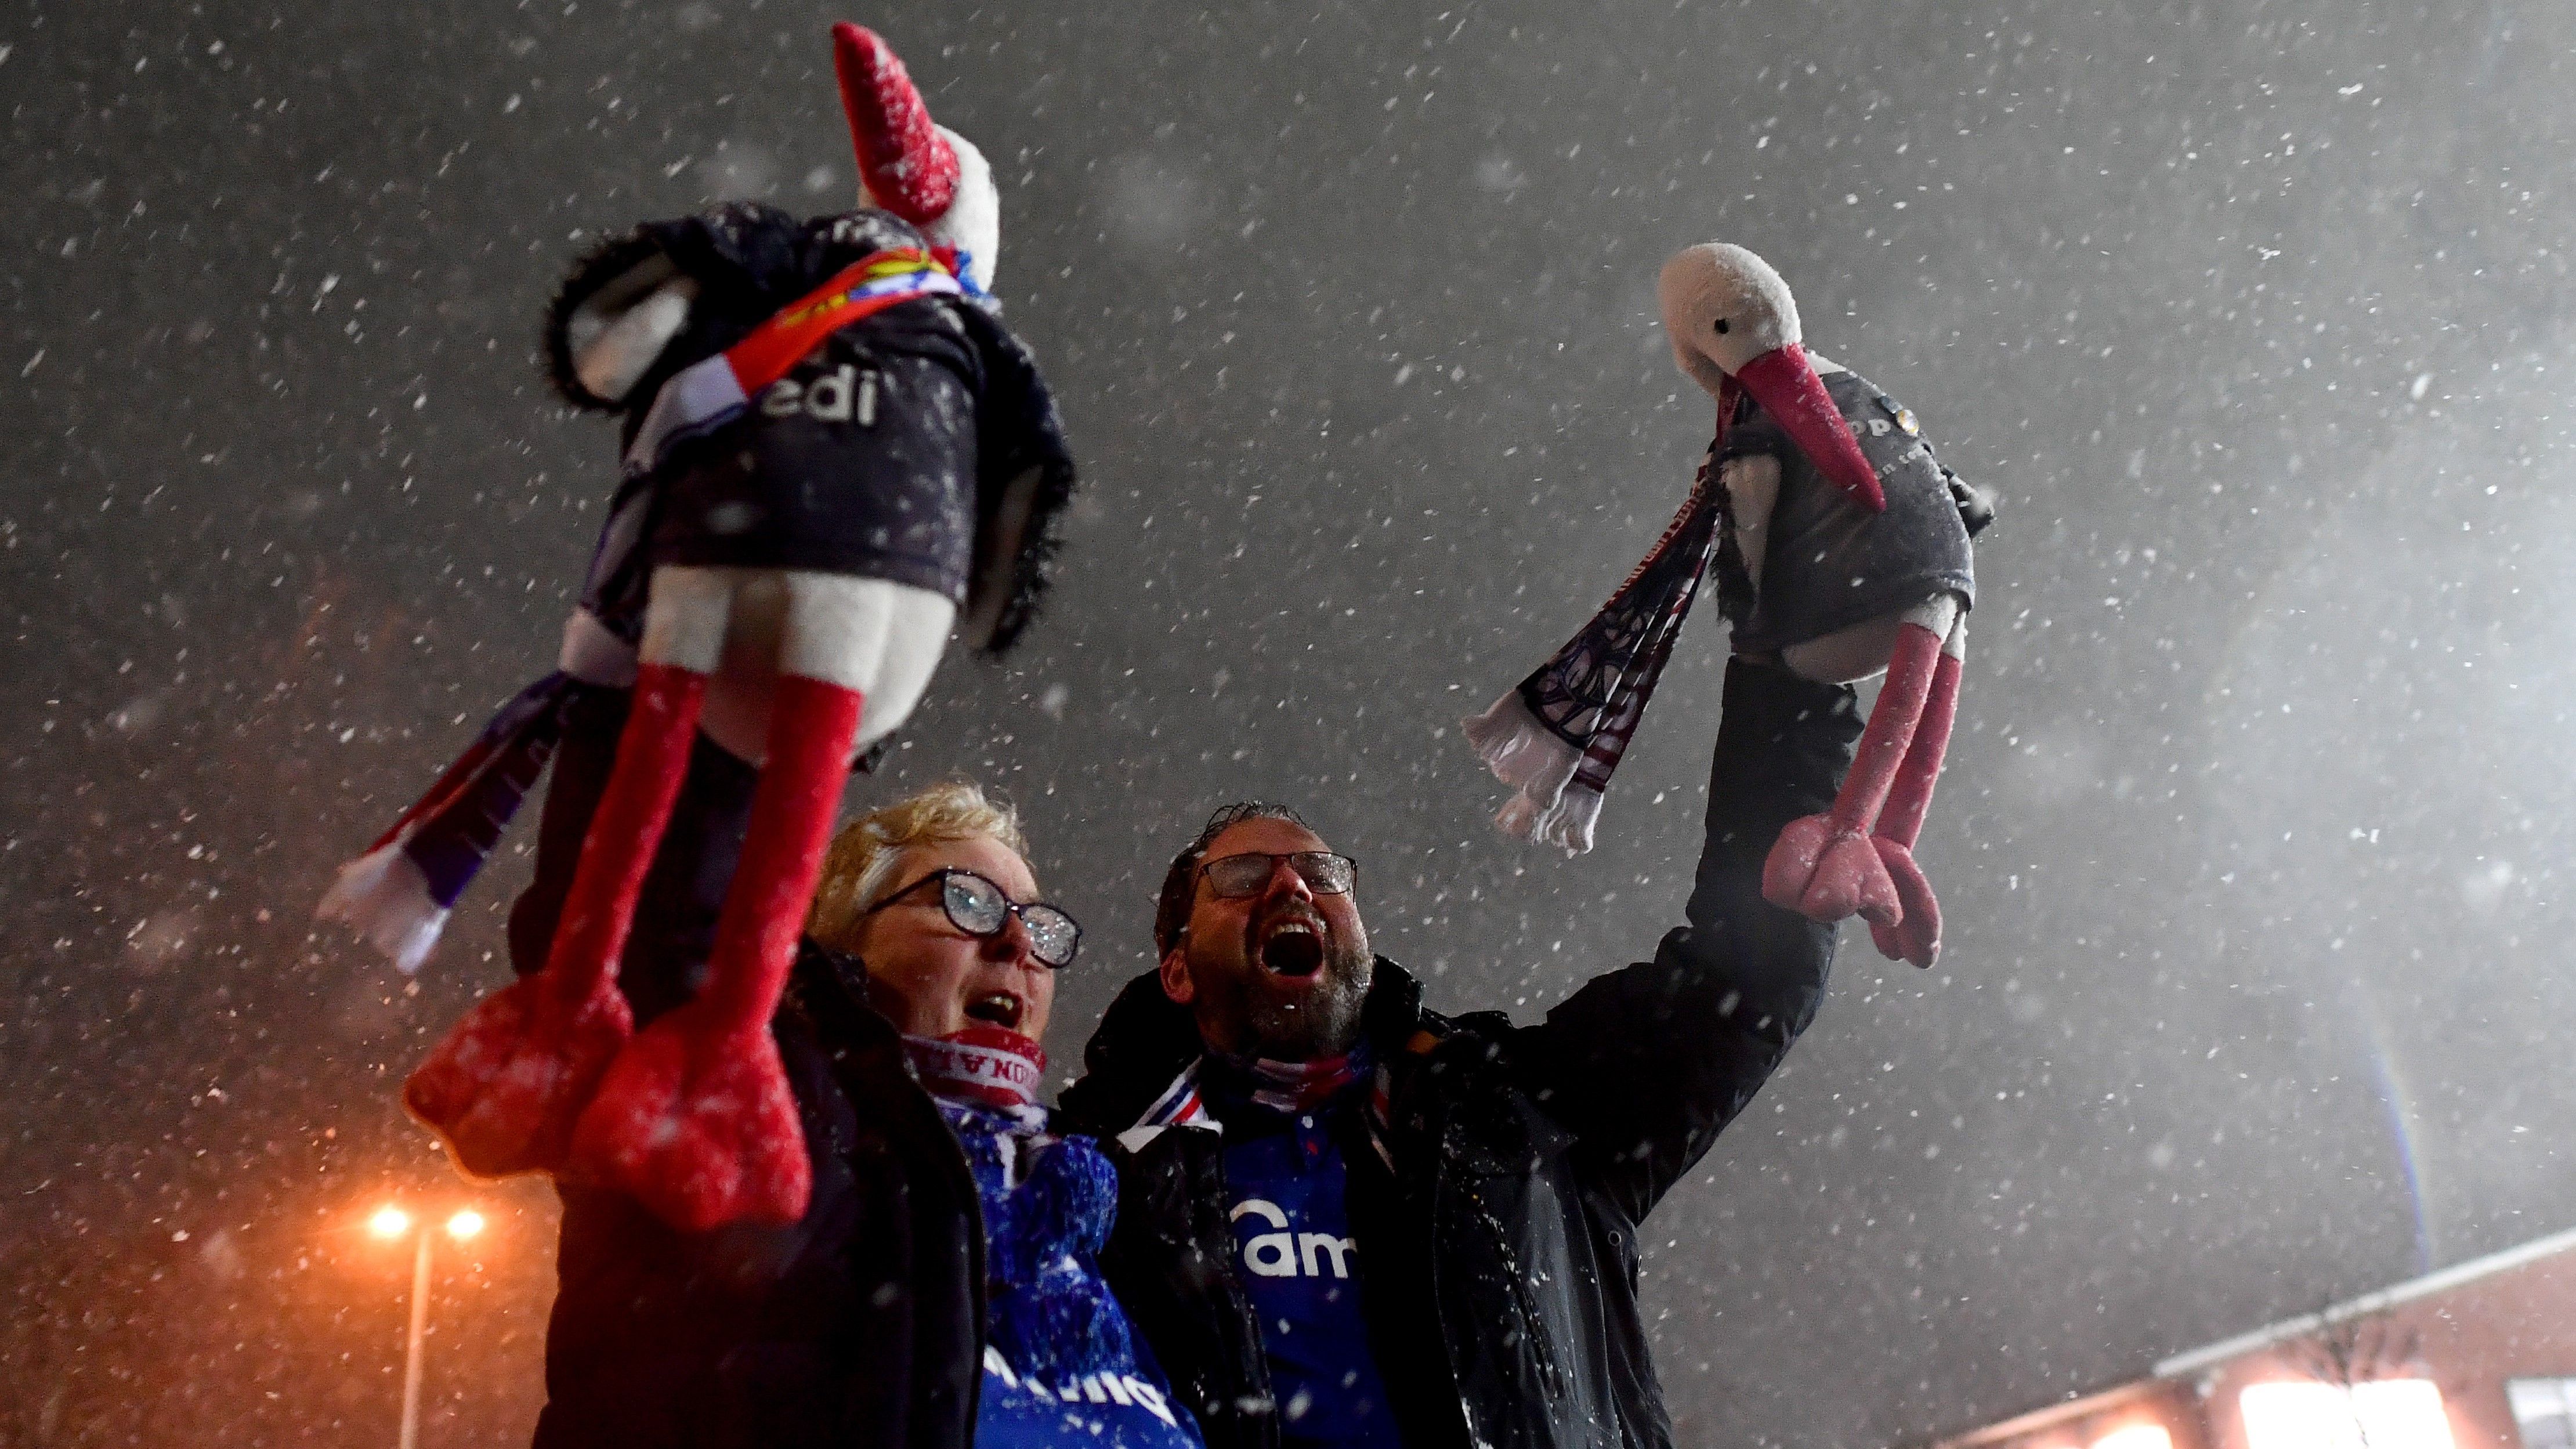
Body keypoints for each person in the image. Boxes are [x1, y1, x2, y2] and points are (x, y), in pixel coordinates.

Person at [1058, 659, 1866, 1449]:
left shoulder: (1521, 1116)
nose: (1293, 889)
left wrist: (1798, 649)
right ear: (1176, 967)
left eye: (1321, 871)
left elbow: (1750, 976)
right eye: (1240, 876)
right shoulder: (1077, 1181)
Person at [520, 768, 1200, 1449]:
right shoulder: (765, 1120)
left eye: (1035, 922)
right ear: (843, 944)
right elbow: (628, 923)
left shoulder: (1092, 1211)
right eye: (966, 900)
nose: (1018, 943)